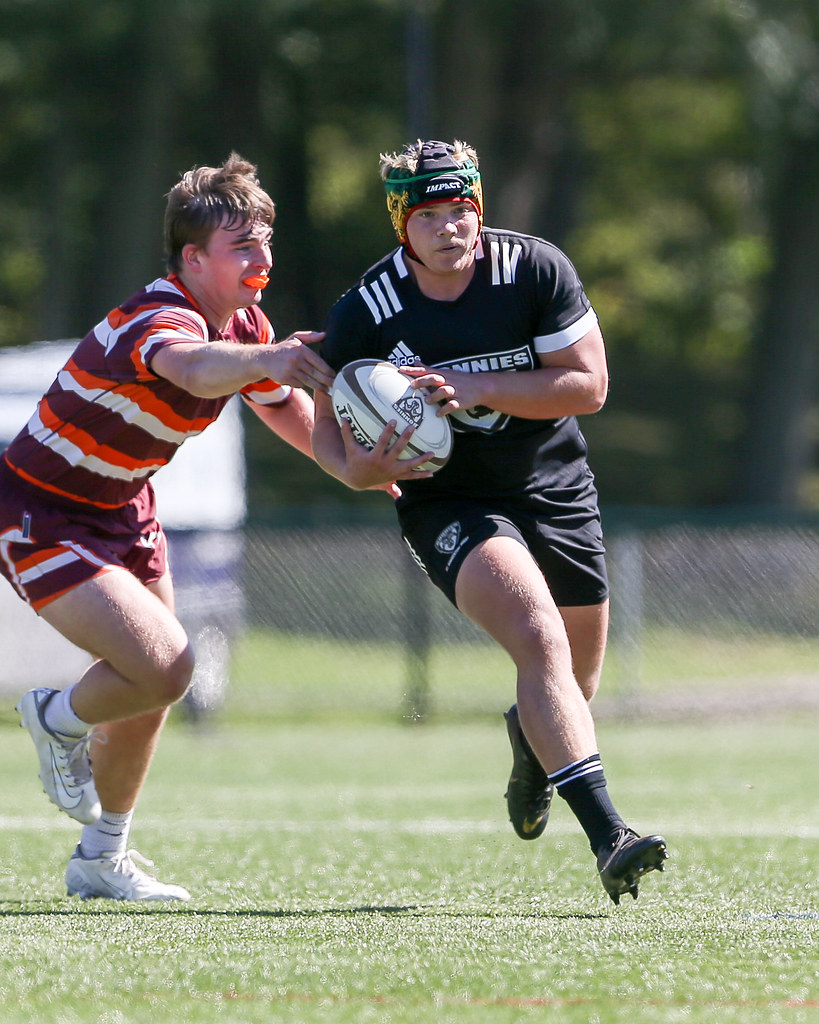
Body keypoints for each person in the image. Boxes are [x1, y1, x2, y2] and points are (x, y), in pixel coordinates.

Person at [311, 139, 668, 905]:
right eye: (430, 215)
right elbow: (327, 420)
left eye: (461, 211)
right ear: (400, 224)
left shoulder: (533, 269)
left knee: (575, 679)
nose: (450, 229)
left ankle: (529, 742)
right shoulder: (366, 310)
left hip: (553, 482)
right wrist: (362, 468)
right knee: (536, 636)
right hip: (449, 501)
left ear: (480, 210)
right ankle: (611, 836)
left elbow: (588, 385)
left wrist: (474, 384)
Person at [1, 152, 336, 900]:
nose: (261, 259)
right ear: (192, 257)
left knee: (154, 685)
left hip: (124, 506)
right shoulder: (159, 316)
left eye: (265, 242)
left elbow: (300, 423)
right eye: (241, 247)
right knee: (168, 666)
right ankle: (54, 718)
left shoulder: (247, 324)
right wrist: (272, 358)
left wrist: (379, 471)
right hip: (41, 510)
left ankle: (102, 858)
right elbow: (189, 368)